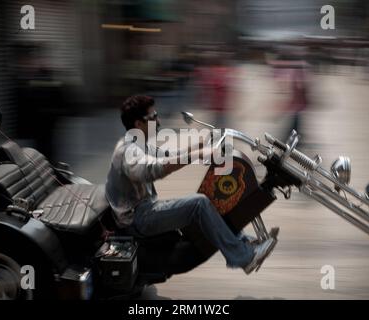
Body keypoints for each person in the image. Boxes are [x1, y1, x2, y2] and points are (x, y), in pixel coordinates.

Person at [105, 95, 276, 274]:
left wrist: (201, 145)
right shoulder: (128, 151)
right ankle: (244, 257)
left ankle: (243, 243)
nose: (158, 120)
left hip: (146, 209)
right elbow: (151, 170)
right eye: (152, 117)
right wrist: (198, 155)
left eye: (156, 115)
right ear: (138, 125)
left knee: (209, 197)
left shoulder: (140, 145)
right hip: (138, 219)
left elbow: (167, 156)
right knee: (199, 203)